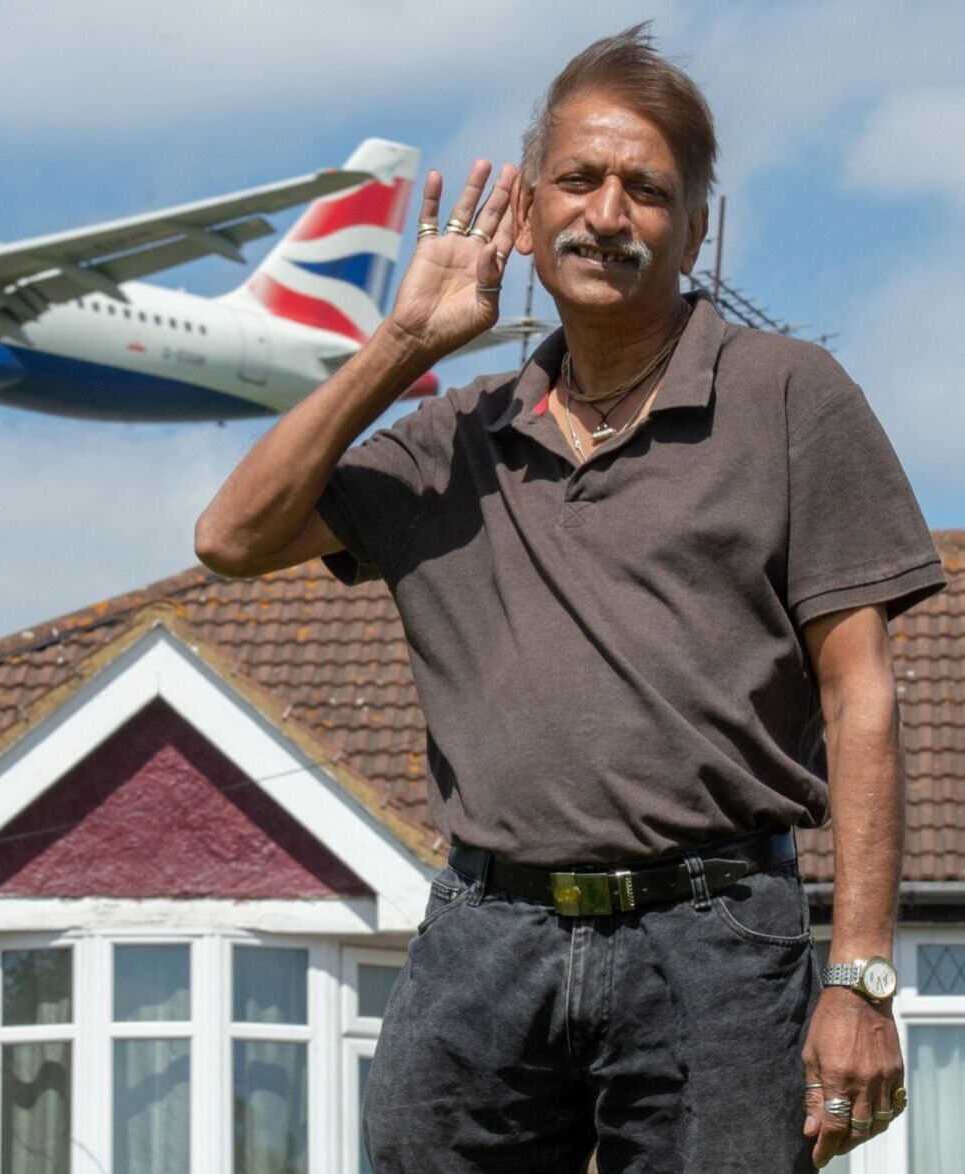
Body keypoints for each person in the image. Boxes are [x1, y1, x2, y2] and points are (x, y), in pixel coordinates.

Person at [195, 24, 945, 1173]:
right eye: (579, 180)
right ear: (528, 212)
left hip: (718, 943)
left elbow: (863, 702)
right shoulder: (453, 440)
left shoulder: (791, 396)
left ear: (698, 227)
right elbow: (231, 537)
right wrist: (405, 338)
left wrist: (859, 978)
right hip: (482, 945)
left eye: (647, 190)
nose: (608, 214)